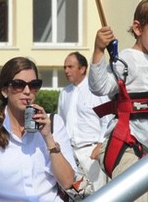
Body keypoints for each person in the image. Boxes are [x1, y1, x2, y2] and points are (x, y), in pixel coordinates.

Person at [88, 0, 148, 201]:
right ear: (138, 28)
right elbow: (100, 87)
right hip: (128, 146)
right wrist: (98, 50)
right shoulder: (127, 59)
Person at [0, 57, 76, 201]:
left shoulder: (53, 124)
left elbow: (68, 183)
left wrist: (48, 139)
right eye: (18, 85)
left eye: (34, 85)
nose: (27, 91)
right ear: (4, 90)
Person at [58, 52, 110, 192]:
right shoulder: (64, 93)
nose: (66, 71)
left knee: (98, 194)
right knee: (73, 194)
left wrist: (100, 145)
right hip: (70, 153)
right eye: (65, 67)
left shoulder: (96, 90)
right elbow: (60, 123)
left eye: (70, 67)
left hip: (91, 152)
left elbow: (108, 119)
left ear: (82, 69)